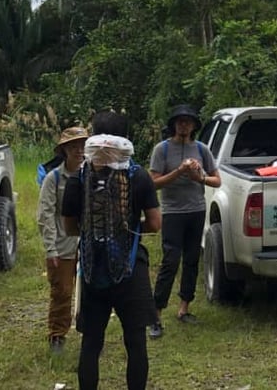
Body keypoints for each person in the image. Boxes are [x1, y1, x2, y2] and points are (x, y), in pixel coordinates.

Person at [62, 111, 161, 390]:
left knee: (91, 343)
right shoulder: (138, 176)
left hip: (93, 270)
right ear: (124, 140)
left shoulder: (77, 178)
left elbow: (70, 228)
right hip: (131, 269)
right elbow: (154, 223)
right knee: (135, 341)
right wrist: (126, 226)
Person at [149, 105, 220, 338]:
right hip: (172, 212)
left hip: (196, 210)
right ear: (173, 125)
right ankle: (156, 315)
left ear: (193, 126)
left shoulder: (201, 148)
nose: (183, 125)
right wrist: (179, 171)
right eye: (179, 121)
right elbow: (154, 183)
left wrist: (199, 177)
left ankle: (184, 308)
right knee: (170, 261)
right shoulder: (162, 149)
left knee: (191, 259)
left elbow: (216, 180)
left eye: (188, 121)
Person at [37, 125, 88, 353]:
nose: (79, 150)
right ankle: (57, 334)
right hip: (62, 242)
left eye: (82, 146)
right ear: (64, 150)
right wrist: (51, 249)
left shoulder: (93, 174)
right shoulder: (53, 178)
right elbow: (45, 215)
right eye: (73, 146)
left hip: (89, 242)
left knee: (91, 290)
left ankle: (91, 333)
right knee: (62, 291)